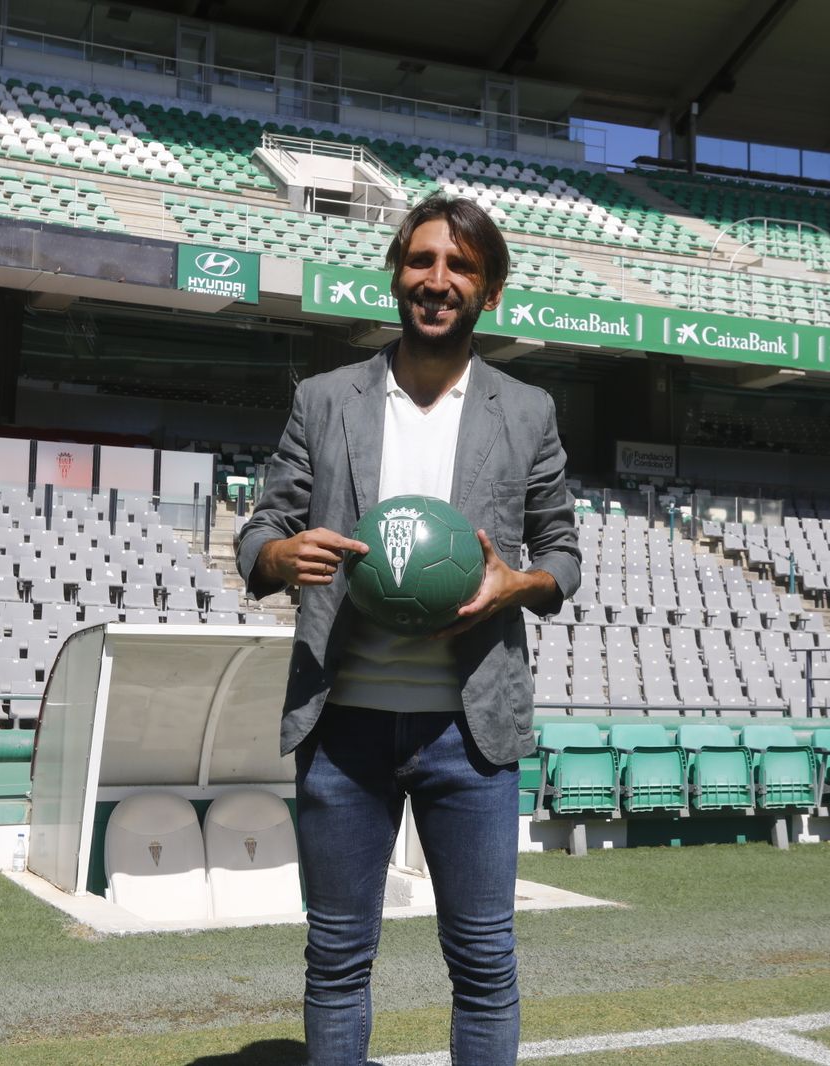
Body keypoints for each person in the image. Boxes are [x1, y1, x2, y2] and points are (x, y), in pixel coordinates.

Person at [236, 193, 580, 1066]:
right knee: (338, 962)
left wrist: (520, 582)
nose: (438, 281)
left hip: (471, 736)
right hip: (342, 726)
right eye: (422, 261)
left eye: (460, 267)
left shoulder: (527, 410)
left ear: (489, 290)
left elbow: (563, 557)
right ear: (396, 273)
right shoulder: (323, 400)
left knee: (483, 964)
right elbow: (258, 532)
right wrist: (279, 559)